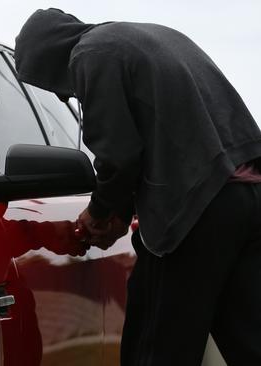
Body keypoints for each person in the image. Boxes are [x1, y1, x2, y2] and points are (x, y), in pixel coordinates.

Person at [14, 8, 261, 366]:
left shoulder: (91, 54)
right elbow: (162, 139)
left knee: (157, 343)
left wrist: (100, 212)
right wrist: (122, 210)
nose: (59, 90)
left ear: (46, 60)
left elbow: (118, 154)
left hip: (195, 208)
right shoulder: (148, 38)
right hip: (249, 195)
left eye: (46, 81)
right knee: (250, 337)